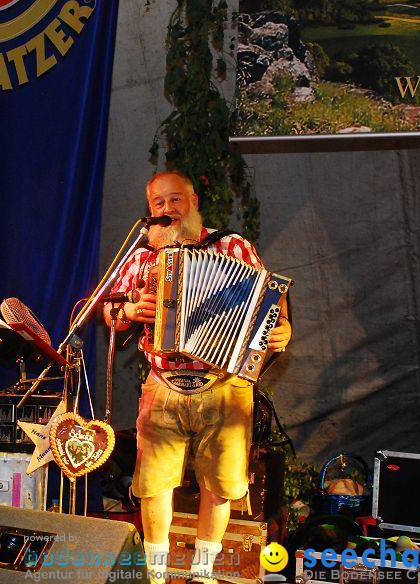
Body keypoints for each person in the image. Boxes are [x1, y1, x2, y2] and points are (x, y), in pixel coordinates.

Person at [103, 171, 292, 584]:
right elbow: (111, 312)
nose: (167, 209)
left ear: (193, 202)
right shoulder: (141, 256)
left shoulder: (232, 246)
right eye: (158, 203)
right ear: (149, 209)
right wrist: (130, 312)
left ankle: (203, 573)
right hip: (164, 382)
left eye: (175, 200)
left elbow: (270, 305)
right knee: (153, 485)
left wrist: (283, 330)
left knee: (220, 485)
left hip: (223, 385)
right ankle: (155, 573)